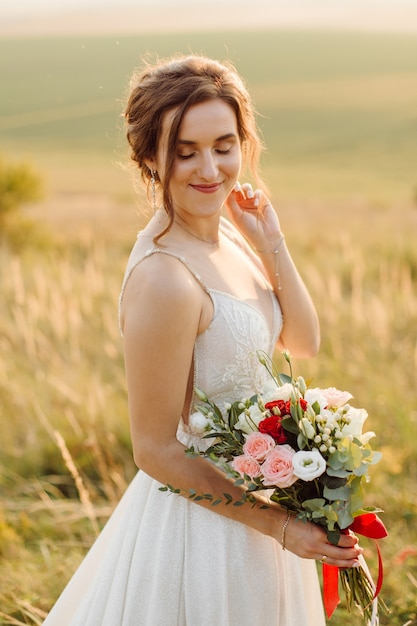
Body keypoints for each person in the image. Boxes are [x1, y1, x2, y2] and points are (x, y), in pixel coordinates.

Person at [43, 54, 362, 626]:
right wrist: (279, 526)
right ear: (148, 159)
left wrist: (272, 243)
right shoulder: (165, 277)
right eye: (184, 152)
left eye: (223, 145)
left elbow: (305, 340)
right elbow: (155, 448)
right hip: (203, 531)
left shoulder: (232, 238)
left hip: (263, 511)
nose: (209, 168)